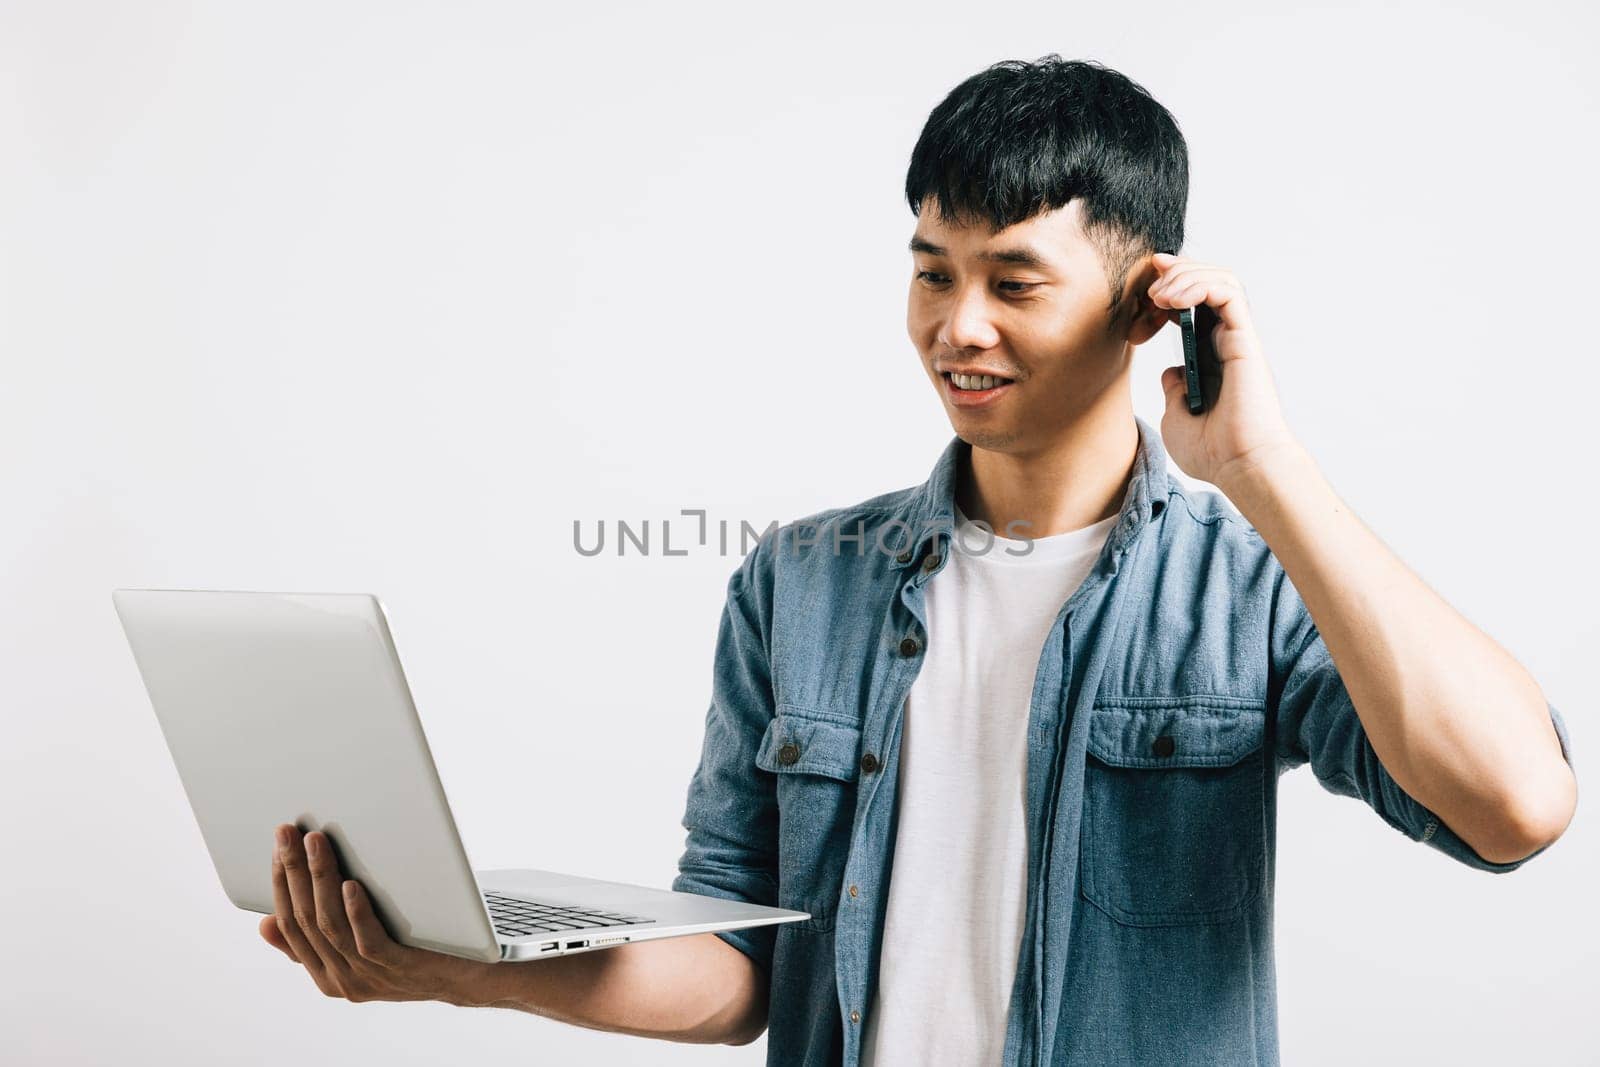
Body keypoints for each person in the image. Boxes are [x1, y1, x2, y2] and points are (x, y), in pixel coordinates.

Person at [258, 55, 1577, 1066]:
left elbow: (1515, 806)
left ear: (1144, 305)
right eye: (933, 272)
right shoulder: (802, 581)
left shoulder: (1250, 584)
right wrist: (462, 967)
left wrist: (1266, 470)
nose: (959, 326)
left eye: (1014, 282)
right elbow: (737, 964)